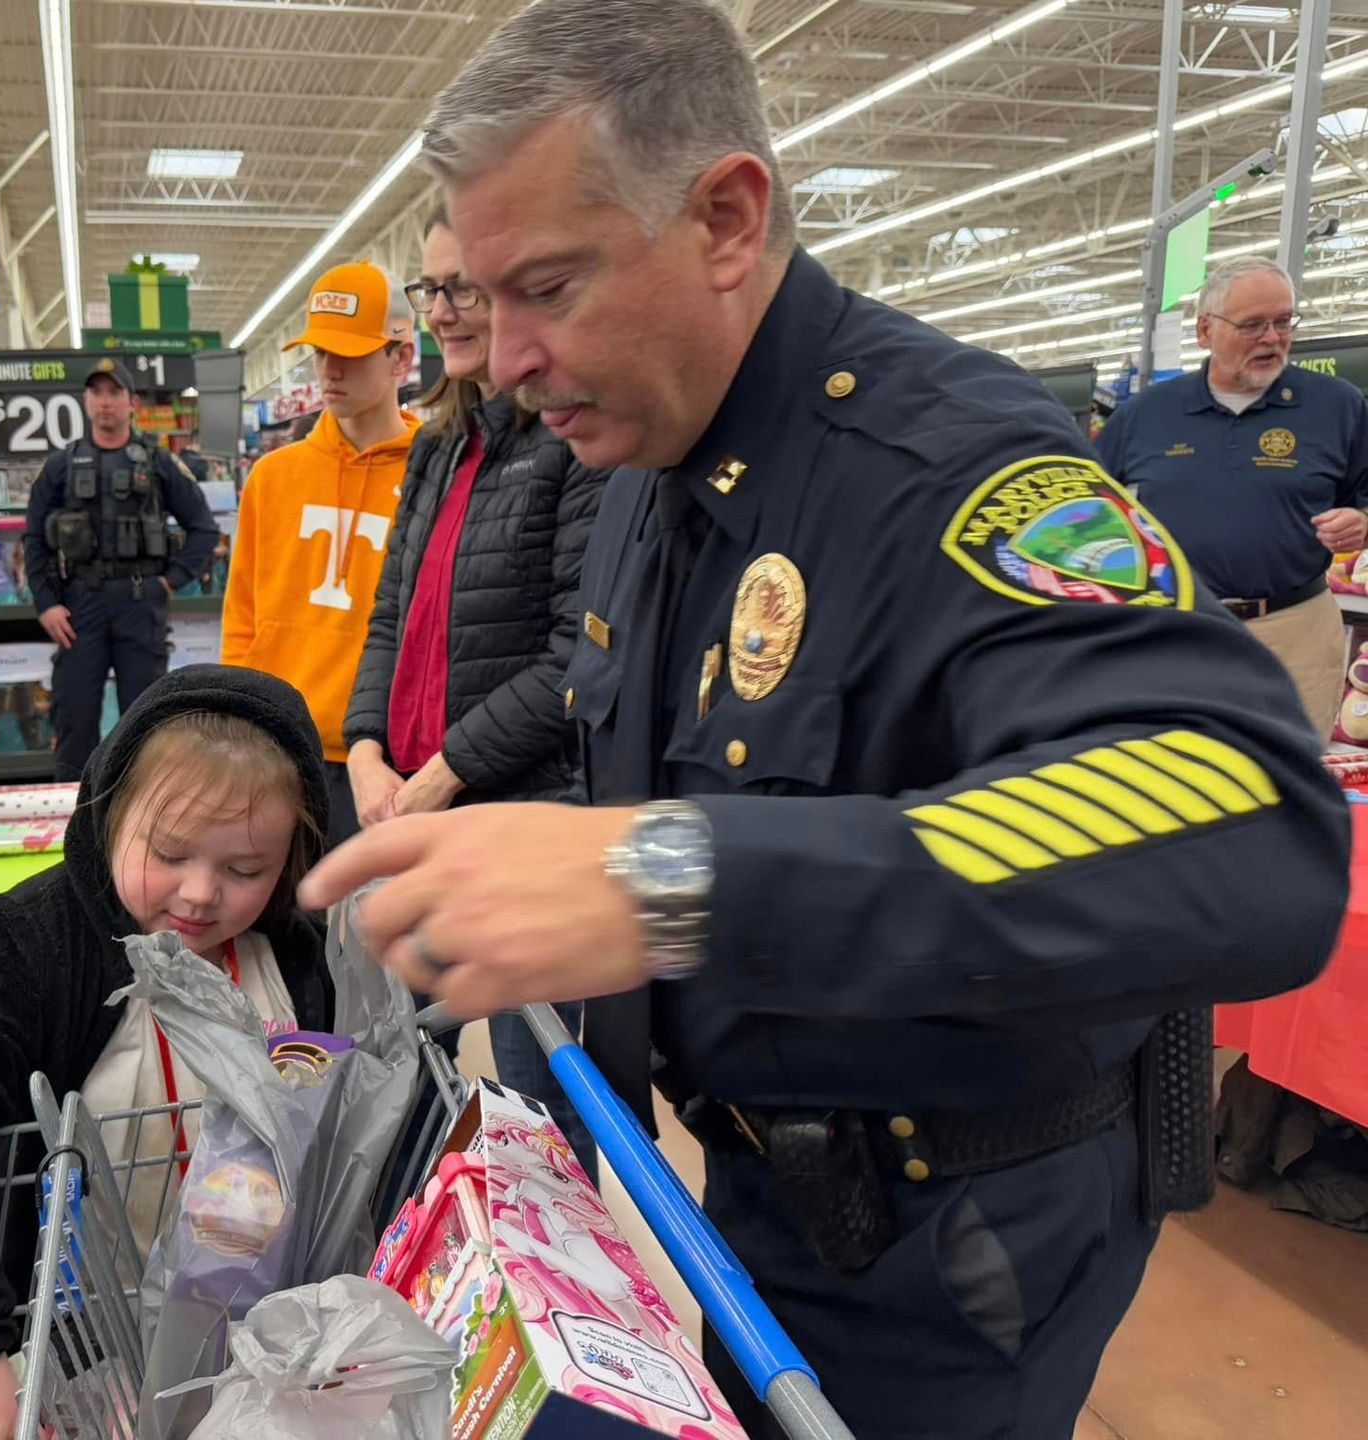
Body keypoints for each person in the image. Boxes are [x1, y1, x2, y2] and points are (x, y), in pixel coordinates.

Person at [299, 3, 1352, 1435]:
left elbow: (1251, 827)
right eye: (484, 302)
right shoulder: (652, 468)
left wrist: (668, 883)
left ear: (728, 218)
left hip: (956, 1241)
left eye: (548, 286)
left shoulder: (954, 472)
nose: (507, 355)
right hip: (752, 1208)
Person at [0, 665, 333, 1440]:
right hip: (67, 1347)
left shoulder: (296, 957)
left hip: (261, 1335)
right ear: (107, 814)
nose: (200, 895)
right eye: (168, 853)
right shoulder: (36, 945)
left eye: (245, 870)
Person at [343, 208, 605, 1178]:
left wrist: (445, 773)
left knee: (546, 1097)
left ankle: (561, 1298)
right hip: (413, 810)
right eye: (433, 289)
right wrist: (367, 748)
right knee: (406, 1071)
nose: (444, 311)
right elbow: (389, 620)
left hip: (524, 821)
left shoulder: (572, 448)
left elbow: (574, 659)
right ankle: (425, 1256)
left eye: (464, 288)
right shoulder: (438, 447)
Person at [1098, 256, 1368, 735]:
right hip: (1172, 628)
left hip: (1296, 630)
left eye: (1283, 321)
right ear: (1205, 331)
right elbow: (1090, 508)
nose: (1272, 338)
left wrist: (1363, 521)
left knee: (1288, 776)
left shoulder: (1339, 406)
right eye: (1252, 325)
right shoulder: (1144, 416)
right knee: (1170, 768)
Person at [222, 261, 421, 843]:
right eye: (319, 351)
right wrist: (236, 734)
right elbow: (242, 619)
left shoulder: (434, 474)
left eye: (350, 352)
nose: (330, 369)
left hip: (384, 762)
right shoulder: (272, 476)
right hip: (277, 751)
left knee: (373, 928)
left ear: (400, 357)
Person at [23, 358, 219, 782]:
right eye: (96, 392)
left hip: (139, 604)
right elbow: (35, 540)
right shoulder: (61, 467)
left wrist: (169, 581)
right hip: (80, 608)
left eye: (114, 393)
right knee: (74, 714)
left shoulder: (158, 463)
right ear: (85, 401)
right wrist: (46, 605)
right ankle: (71, 817)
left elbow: (204, 529)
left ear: (132, 403)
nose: (104, 402)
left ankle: (144, 809)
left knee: (146, 721)